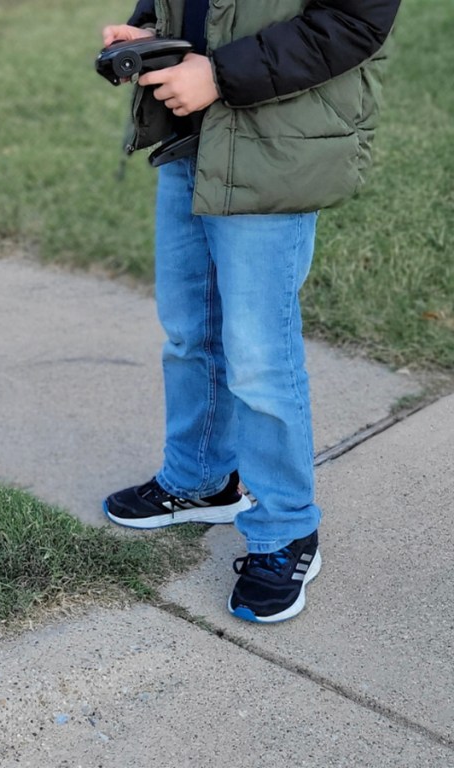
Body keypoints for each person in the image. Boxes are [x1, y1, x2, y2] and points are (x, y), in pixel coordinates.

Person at [100, 0, 402, 623]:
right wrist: (152, 28)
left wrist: (219, 75)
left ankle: (287, 530)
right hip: (191, 138)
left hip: (275, 145)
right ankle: (200, 481)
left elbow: (355, 21)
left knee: (260, 355)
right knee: (190, 331)